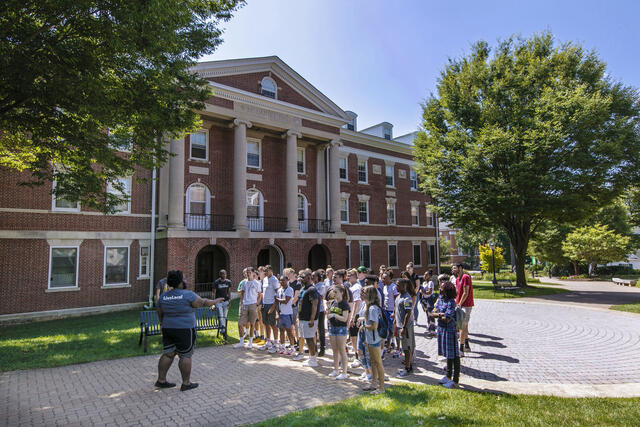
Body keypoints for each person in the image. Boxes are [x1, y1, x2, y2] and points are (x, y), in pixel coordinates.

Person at [155, 270, 223, 391]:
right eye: (184, 279)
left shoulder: (163, 296)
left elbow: (159, 311)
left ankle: (161, 380)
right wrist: (215, 301)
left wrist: (161, 324)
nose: (185, 281)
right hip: (184, 329)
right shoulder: (188, 294)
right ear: (180, 282)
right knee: (185, 355)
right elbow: (202, 303)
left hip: (168, 328)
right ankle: (186, 383)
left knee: (168, 354)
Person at [433, 275, 461, 388]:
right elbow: (433, 312)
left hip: (450, 330)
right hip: (441, 329)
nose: (440, 288)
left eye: (442, 288)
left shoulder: (451, 302)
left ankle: (455, 380)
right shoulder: (440, 299)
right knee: (447, 355)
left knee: (454, 355)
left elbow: (447, 319)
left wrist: (439, 315)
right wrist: (441, 314)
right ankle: (448, 375)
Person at [358, 286, 385, 394]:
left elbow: (374, 326)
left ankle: (381, 387)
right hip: (371, 339)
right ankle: (374, 383)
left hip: (374, 339)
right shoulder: (371, 307)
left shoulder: (372, 308)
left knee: (378, 362)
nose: (362, 294)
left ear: (370, 295)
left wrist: (363, 326)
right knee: (373, 362)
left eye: (364, 292)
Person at [293, 271, 319, 367]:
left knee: (309, 339)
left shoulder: (312, 289)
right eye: (300, 277)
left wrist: (312, 319)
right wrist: (298, 317)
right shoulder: (303, 288)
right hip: (302, 318)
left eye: (303, 277)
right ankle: (310, 358)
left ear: (309, 277)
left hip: (309, 319)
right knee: (305, 338)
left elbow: (315, 304)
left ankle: (313, 359)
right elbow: (299, 303)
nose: (301, 279)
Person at [327, 283, 350, 380]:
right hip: (332, 327)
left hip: (341, 328)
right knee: (334, 350)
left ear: (341, 292)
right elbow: (329, 314)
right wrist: (329, 314)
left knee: (342, 349)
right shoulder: (333, 302)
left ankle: (344, 372)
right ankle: (335, 369)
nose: (334, 293)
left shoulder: (344, 304)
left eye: (336, 292)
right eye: (333, 292)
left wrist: (334, 316)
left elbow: (345, 318)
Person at [235, 267, 262, 349]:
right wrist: (242, 303)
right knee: (240, 324)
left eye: (249, 272)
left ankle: (250, 342)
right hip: (244, 305)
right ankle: (241, 342)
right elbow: (242, 293)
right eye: (247, 272)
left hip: (253, 305)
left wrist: (256, 304)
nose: (248, 273)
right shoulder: (244, 282)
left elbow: (260, 295)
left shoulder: (257, 283)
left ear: (253, 273)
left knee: (252, 324)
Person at [395, 278, 415, 377]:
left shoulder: (407, 298)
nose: (396, 286)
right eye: (396, 284)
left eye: (398, 285)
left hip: (406, 327)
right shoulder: (398, 297)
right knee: (404, 348)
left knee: (407, 348)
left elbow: (408, 313)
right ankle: (408, 366)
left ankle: (408, 368)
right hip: (399, 326)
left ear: (404, 286)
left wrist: (404, 327)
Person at [453, 263, 474, 355]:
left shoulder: (466, 277)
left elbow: (466, 292)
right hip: (460, 305)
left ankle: (461, 349)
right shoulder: (457, 279)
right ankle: (466, 345)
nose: (453, 270)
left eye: (454, 268)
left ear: (460, 268)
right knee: (464, 326)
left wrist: (460, 304)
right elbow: (458, 293)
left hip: (466, 305)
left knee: (462, 326)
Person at [259, 265, 280, 352]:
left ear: (271, 270)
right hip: (265, 304)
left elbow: (277, 294)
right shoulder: (265, 279)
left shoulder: (274, 280)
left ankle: (275, 344)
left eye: (267, 271)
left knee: (273, 324)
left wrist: (273, 307)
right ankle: (268, 342)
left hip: (271, 304)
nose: (266, 273)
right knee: (266, 324)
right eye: (265, 272)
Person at [346, 269, 363, 368]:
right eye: (347, 275)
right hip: (353, 315)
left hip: (355, 315)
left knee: (355, 338)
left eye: (349, 275)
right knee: (353, 337)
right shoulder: (352, 286)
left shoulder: (356, 287)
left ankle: (359, 358)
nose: (347, 277)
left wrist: (352, 318)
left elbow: (356, 303)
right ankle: (357, 356)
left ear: (355, 276)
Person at [274, 275, 295, 355]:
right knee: (281, 330)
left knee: (289, 331)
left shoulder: (290, 289)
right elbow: (276, 303)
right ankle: (283, 347)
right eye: (281, 280)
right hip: (281, 313)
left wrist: (277, 299)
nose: (282, 282)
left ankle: (292, 348)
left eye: (284, 280)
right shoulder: (279, 290)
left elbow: (286, 301)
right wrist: (277, 313)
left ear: (287, 280)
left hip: (287, 313)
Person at [381, 272, 399, 357]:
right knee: (387, 328)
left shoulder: (393, 287)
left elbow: (396, 300)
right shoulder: (384, 287)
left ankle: (394, 345)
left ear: (389, 278)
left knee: (392, 329)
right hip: (385, 310)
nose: (383, 279)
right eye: (382, 278)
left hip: (391, 311)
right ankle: (388, 345)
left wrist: (395, 312)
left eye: (384, 278)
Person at [285, 268, 302, 349]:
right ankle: (293, 341)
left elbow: (296, 297)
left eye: (288, 273)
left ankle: (299, 342)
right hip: (287, 307)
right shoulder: (287, 283)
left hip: (294, 307)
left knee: (295, 325)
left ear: (292, 273)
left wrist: (288, 304)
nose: (287, 275)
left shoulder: (297, 284)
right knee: (289, 325)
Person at [212, 269, 231, 340]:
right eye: (222, 274)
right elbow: (214, 293)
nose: (224, 275)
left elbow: (229, 292)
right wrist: (214, 303)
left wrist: (229, 301)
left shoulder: (228, 282)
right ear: (220, 275)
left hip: (225, 302)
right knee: (221, 315)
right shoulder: (216, 282)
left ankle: (221, 329)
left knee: (224, 316)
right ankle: (223, 330)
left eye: (225, 274)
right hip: (218, 302)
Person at [312, 270, 327, 357]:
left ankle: (322, 348)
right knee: (313, 330)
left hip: (320, 310)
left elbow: (320, 296)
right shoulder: (313, 285)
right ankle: (314, 347)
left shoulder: (321, 286)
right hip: (313, 310)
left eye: (314, 276)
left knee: (320, 329)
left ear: (318, 277)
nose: (313, 278)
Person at [233, 268, 249, 347]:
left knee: (250, 321)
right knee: (240, 321)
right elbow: (238, 291)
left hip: (250, 304)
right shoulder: (242, 282)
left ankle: (248, 333)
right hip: (242, 303)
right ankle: (242, 340)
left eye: (247, 272)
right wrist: (243, 290)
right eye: (245, 273)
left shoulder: (253, 282)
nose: (246, 274)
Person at [419, 270, 437, 337]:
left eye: (426, 275)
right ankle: (429, 326)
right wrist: (423, 291)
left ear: (429, 276)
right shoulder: (424, 283)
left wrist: (423, 291)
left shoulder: (430, 282)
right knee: (427, 313)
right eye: (424, 274)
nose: (424, 276)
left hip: (429, 299)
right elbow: (421, 291)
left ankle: (433, 329)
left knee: (430, 314)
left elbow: (429, 292)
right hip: (424, 300)